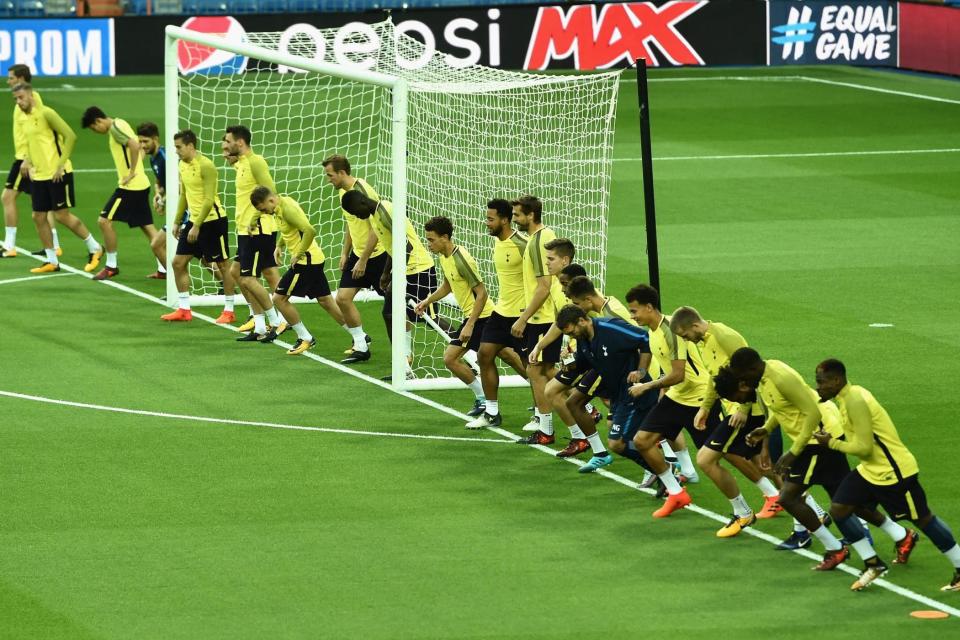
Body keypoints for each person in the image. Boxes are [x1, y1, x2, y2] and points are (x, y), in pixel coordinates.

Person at [814, 359, 960, 592]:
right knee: (840, 508)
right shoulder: (846, 397)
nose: (818, 387)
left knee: (923, 519)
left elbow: (864, 448)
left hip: (894, 473)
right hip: (871, 470)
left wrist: (830, 443)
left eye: (821, 383)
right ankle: (873, 564)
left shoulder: (855, 401)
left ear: (836, 380)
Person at [721, 347, 859, 570]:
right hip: (811, 438)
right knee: (843, 498)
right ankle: (892, 537)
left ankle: (837, 548)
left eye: (743, 376)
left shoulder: (779, 377)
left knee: (789, 498)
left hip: (819, 438)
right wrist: (765, 429)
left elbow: (812, 412)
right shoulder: (764, 379)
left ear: (752, 368)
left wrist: (794, 452)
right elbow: (782, 408)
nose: (743, 382)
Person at [669, 306, 784, 537]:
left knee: (707, 458)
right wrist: (705, 407)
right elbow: (715, 378)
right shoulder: (703, 342)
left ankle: (745, 512)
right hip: (734, 409)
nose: (686, 340)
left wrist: (743, 407)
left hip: (748, 411)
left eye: (685, 335)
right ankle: (805, 509)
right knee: (767, 466)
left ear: (694, 325)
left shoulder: (724, 336)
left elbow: (751, 369)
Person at [625, 284, 708, 517]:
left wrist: (647, 386)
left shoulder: (670, 330)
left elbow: (679, 373)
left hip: (698, 398)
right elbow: (668, 371)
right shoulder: (652, 330)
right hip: (677, 395)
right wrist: (663, 395)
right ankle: (676, 492)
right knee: (642, 441)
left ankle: (770, 494)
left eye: (634, 311)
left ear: (649, 307)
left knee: (718, 456)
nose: (632, 316)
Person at [339, 190, 437, 380]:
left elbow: (406, 246)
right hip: (407, 270)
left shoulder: (385, 212)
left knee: (427, 318)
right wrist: (385, 274)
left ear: (361, 204)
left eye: (355, 212)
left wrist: (396, 277)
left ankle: (469, 348)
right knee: (390, 313)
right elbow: (393, 247)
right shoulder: (375, 215)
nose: (357, 217)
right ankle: (402, 367)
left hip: (419, 270)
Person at [565, 275, 655, 471]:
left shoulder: (611, 323)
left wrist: (641, 371)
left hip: (634, 389)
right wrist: (568, 365)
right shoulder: (584, 337)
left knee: (625, 441)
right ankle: (661, 469)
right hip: (617, 391)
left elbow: (643, 337)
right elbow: (582, 363)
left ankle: (664, 468)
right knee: (627, 436)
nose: (572, 337)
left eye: (571, 333)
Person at [13, 84, 101, 274]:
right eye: (16, 99)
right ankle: (52, 261)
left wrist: (61, 164)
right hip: (40, 175)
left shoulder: (47, 113)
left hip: (57, 174)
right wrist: (26, 161)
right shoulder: (26, 120)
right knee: (38, 216)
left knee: (62, 215)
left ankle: (94, 248)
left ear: (31, 95)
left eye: (21, 98)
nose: (18, 102)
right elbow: (33, 144)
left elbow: (70, 136)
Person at [251, 186, 349, 354]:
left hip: (306, 262)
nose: (265, 213)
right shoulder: (281, 206)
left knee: (279, 299)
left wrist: (299, 253)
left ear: (270, 200)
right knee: (326, 301)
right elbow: (290, 229)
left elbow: (310, 230)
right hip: (314, 260)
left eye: (264, 209)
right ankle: (360, 336)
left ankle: (305, 338)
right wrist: (279, 245)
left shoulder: (287, 209)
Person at [416, 216, 493, 415]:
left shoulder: (461, 259)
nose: (429, 244)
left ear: (445, 237)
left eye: (432, 240)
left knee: (450, 358)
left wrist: (470, 324)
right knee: (511, 357)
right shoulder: (445, 257)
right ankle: (539, 397)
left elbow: (482, 293)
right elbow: (448, 285)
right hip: (477, 317)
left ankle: (483, 398)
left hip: (482, 316)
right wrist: (427, 301)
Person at [465, 199, 530, 429]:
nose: (486, 223)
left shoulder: (522, 244)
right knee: (484, 354)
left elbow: (542, 278)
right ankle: (492, 412)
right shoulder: (499, 242)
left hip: (522, 314)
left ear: (505, 220)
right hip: (501, 312)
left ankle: (545, 410)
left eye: (491, 219)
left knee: (530, 365)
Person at [160, 129, 236, 325]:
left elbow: (209, 199)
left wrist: (197, 226)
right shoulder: (182, 165)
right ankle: (184, 309)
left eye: (179, 147)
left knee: (222, 265)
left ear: (191, 146)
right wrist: (177, 221)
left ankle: (229, 310)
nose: (176, 151)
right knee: (177, 262)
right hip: (194, 221)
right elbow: (184, 195)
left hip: (213, 221)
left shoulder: (206, 166)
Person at [81, 106, 164, 281]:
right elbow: (139, 148)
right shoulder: (121, 123)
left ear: (98, 121)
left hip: (130, 188)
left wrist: (132, 171)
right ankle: (163, 268)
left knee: (104, 221)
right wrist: (137, 169)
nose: (95, 132)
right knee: (147, 227)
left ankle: (111, 266)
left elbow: (134, 145)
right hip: (140, 185)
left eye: (93, 128)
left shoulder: (115, 128)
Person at [509, 195, 566, 446]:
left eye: (518, 216)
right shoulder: (545, 236)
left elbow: (544, 286)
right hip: (545, 315)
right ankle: (584, 408)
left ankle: (547, 430)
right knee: (546, 369)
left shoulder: (537, 243)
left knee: (535, 370)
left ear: (531, 215)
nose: (515, 220)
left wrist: (523, 318)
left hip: (542, 318)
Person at [223, 124, 285, 339]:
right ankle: (259, 324)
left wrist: (256, 219)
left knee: (250, 278)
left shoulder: (256, 162)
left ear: (240, 142)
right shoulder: (241, 163)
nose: (225, 146)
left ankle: (277, 321)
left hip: (258, 230)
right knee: (237, 273)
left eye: (228, 141)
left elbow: (271, 195)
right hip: (244, 229)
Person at [323, 154, 383, 363]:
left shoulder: (363, 190)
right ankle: (361, 344)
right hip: (358, 255)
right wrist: (345, 253)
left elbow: (377, 228)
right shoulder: (343, 193)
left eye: (330, 175)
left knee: (400, 306)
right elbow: (351, 223)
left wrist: (364, 259)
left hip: (377, 257)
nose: (328, 179)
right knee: (342, 298)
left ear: (342, 173)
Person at [3, 64, 58, 258]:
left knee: (7, 197)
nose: (8, 81)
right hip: (27, 157)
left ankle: (9, 245)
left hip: (25, 159)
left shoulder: (31, 99)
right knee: (41, 203)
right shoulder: (24, 99)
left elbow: (38, 128)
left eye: (11, 78)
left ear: (20, 78)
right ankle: (55, 245)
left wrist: (27, 158)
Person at [136, 121, 168, 280]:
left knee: (157, 244)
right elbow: (159, 182)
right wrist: (158, 195)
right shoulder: (153, 158)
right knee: (157, 244)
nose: (142, 145)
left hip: (187, 210)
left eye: (145, 141)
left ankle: (226, 286)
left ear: (155, 139)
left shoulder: (164, 157)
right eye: (140, 141)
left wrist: (164, 200)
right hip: (178, 210)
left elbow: (180, 184)